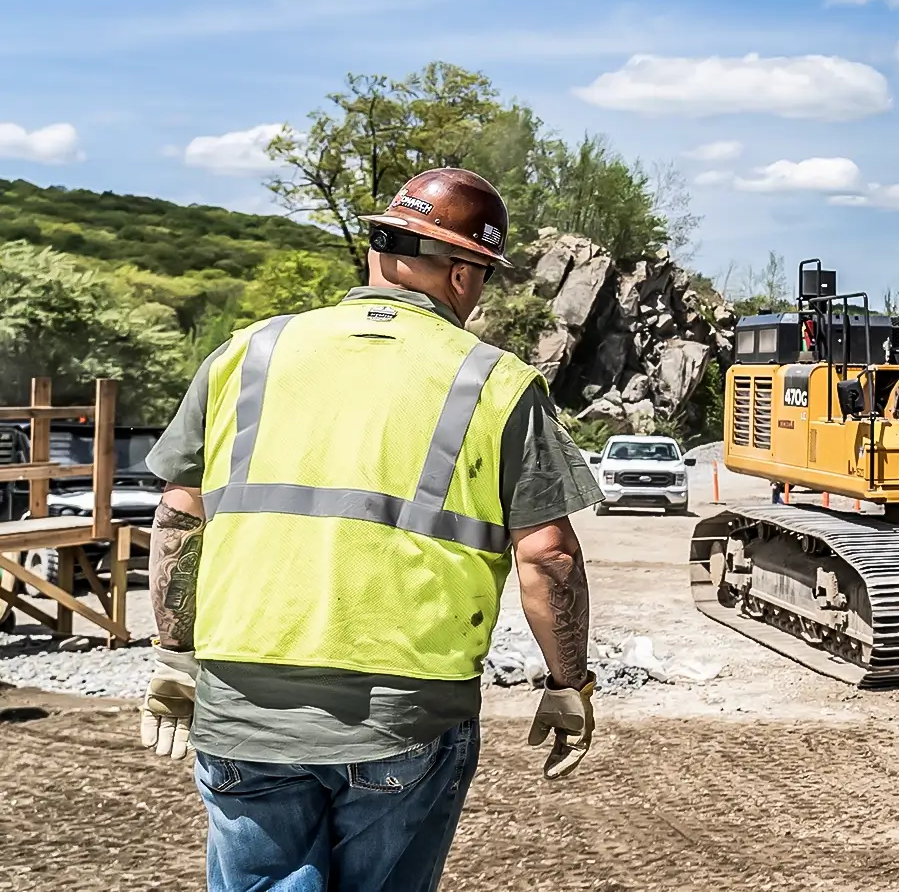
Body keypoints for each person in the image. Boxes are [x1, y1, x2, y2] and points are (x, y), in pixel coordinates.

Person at [139, 168, 605, 892]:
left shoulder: (245, 354)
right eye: (480, 277)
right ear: (459, 274)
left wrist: (174, 655)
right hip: (405, 714)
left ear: (380, 253)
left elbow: (178, 516)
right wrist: (569, 685)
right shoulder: (498, 382)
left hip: (243, 703)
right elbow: (548, 557)